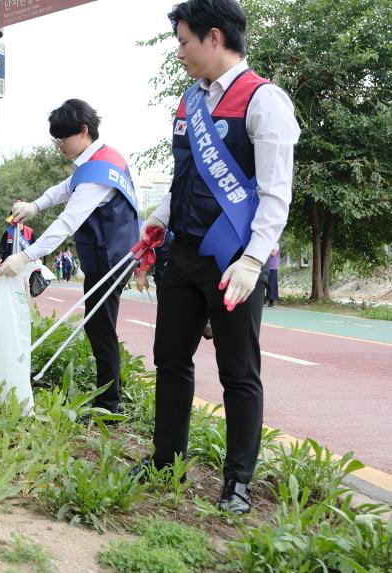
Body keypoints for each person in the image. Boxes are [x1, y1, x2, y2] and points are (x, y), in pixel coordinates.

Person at [134, 0, 300, 515]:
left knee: (238, 373)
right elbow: (185, 176)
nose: (179, 52)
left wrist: (252, 260)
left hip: (234, 262)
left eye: (184, 42)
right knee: (170, 362)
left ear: (213, 37)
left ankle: (238, 482)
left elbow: (275, 193)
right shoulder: (190, 101)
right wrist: (158, 218)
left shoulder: (264, 100)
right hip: (182, 256)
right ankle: (165, 461)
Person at [0, 99, 140, 416]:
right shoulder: (100, 159)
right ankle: (108, 395)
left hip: (110, 260)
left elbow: (66, 223)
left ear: (83, 131)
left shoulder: (98, 174)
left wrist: (25, 257)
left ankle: (110, 403)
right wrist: (34, 206)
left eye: (62, 138)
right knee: (97, 326)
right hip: (109, 256)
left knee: (100, 328)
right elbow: (64, 188)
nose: (59, 145)